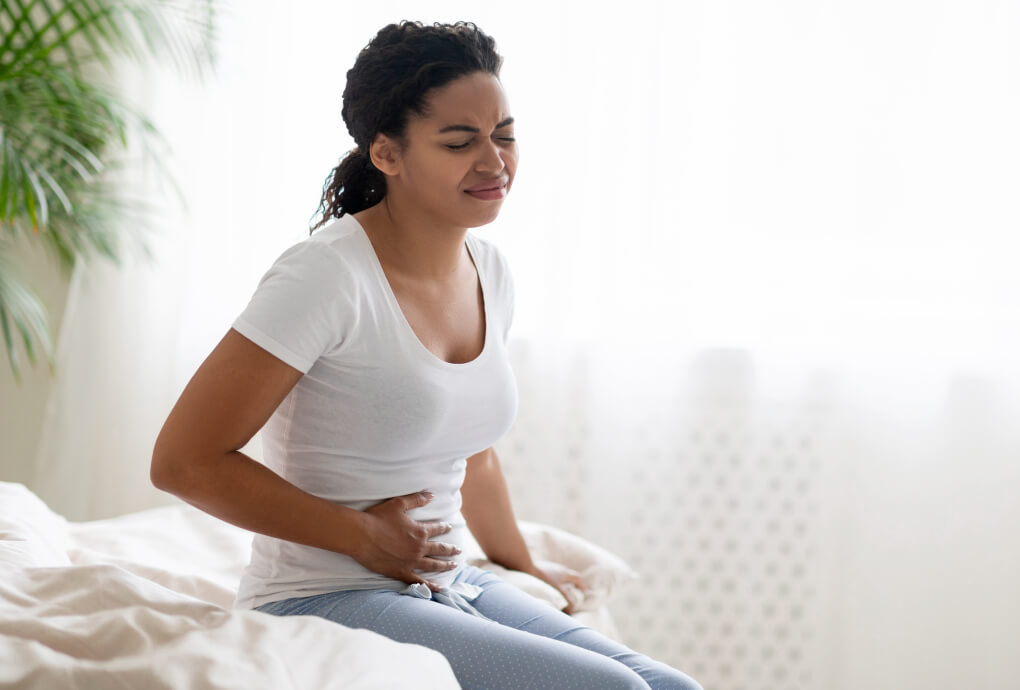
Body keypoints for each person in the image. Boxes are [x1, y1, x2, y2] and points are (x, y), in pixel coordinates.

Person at [150, 20, 701, 690]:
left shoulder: (490, 271)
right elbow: (183, 462)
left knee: (675, 688)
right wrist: (365, 538)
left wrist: (523, 563)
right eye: (460, 141)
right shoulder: (325, 276)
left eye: (504, 134)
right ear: (387, 153)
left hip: (445, 579)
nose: (495, 162)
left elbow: (474, 455)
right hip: (322, 596)